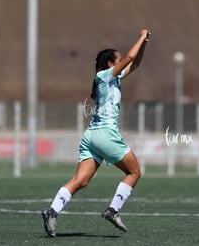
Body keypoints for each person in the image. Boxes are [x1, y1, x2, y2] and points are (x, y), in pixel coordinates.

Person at [41, 29, 151, 237]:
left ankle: (51, 211)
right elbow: (129, 58)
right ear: (111, 64)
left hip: (92, 136)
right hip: (105, 134)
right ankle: (113, 210)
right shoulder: (104, 75)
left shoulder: (112, 78)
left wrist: (144, 43)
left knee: (80, 180)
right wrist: (139, 37)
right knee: (134, 172)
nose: (122, 63)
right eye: (117, 61)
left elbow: (134, 64)